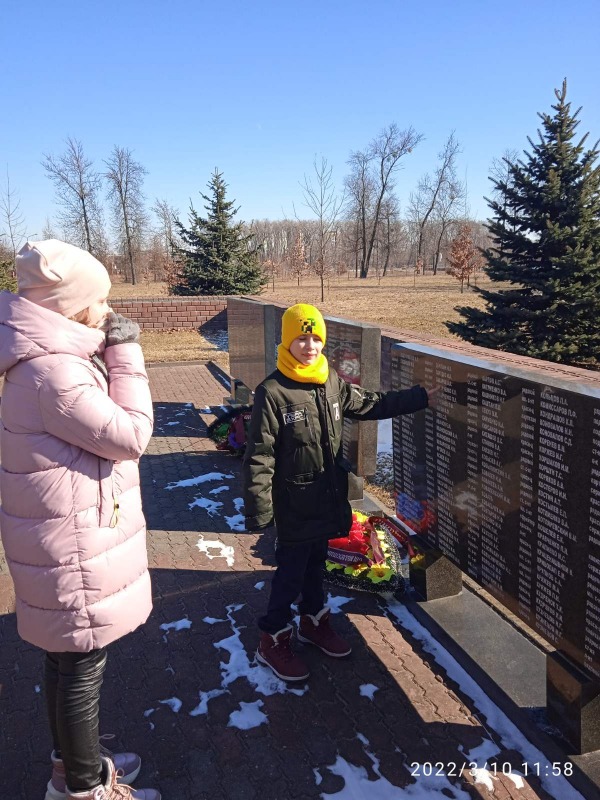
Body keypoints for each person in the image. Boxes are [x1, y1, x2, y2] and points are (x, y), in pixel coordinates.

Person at [0, 240, 159, 799]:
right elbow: (131, 434)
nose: (107, 312)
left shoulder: (43, 361)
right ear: (69, 307)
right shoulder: (57, 374)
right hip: (73, 549)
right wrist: (126, 355)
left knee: (66, 660)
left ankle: (74, 762)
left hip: (61, 536)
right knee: (81, 666)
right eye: (100, 301)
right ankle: (85, 787)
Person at [242, 303, 433, 681]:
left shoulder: (330, 381)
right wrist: (259, 509)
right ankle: (272, 638)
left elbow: (371, 403)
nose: (310, 346)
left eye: (316, 338)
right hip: (294, 505)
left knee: (316, 565)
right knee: (291, 574)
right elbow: (260, 455)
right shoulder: (273, 392)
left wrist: (420, 397)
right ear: (287, 341)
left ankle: (313, 622)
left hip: (326, 498)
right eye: (302, 338)